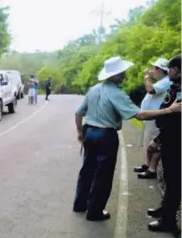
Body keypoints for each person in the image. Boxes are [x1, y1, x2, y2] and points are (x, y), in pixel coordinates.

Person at [72, 56, 181, 222]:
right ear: (114, 75)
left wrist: (80, 131)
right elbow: (140, 115)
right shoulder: (117, 94)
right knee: (103, 174)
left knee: (87, 169)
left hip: (90, 132)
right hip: (105, 135)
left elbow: (79, 112)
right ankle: (95, 211)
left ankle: (80, 203)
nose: (125, 75)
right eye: (122, 72)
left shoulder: (94, 89)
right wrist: (169, 110)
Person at [146, 55, 181, 235]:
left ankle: (169, 221)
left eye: (171, 69)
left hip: (176, 141)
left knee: (174, 181)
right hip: (169, 137)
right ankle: (165, 208)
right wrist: (160, 138)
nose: (169, 72)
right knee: (169, 178)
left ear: (177, 70)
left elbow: (176, 118)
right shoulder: (175, 86)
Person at [134, 57, 171, 179]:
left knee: (153, 144)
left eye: (154, 68)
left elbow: (150, 89)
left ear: (161, 70)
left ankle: (151, 170)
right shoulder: (162, 81)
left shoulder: (166, 81)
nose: (152, 70)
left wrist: (146, 77)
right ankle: (147, 165)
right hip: (150, 117)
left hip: (156, 117)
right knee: (147, 142)